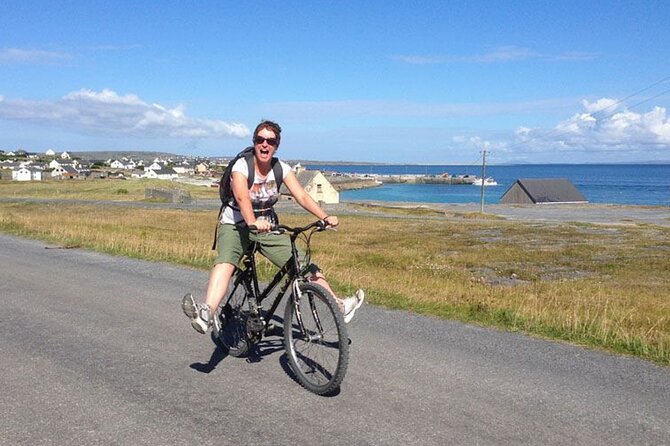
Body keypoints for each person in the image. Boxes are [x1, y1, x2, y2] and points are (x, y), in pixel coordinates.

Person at [182, 120, 364, 334]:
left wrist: (324, 216)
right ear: (254, 142)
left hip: (267, 227)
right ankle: (207, 313)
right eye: (260, 140)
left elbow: (302, 196)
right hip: (236, 225)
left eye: (271, 141)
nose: (265, 144)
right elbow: (241, 197)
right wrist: (251, 222)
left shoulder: (281, 168)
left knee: (303, 263)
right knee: (226, 261)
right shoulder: (243, 165)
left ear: (277, 145)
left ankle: (339, 306)